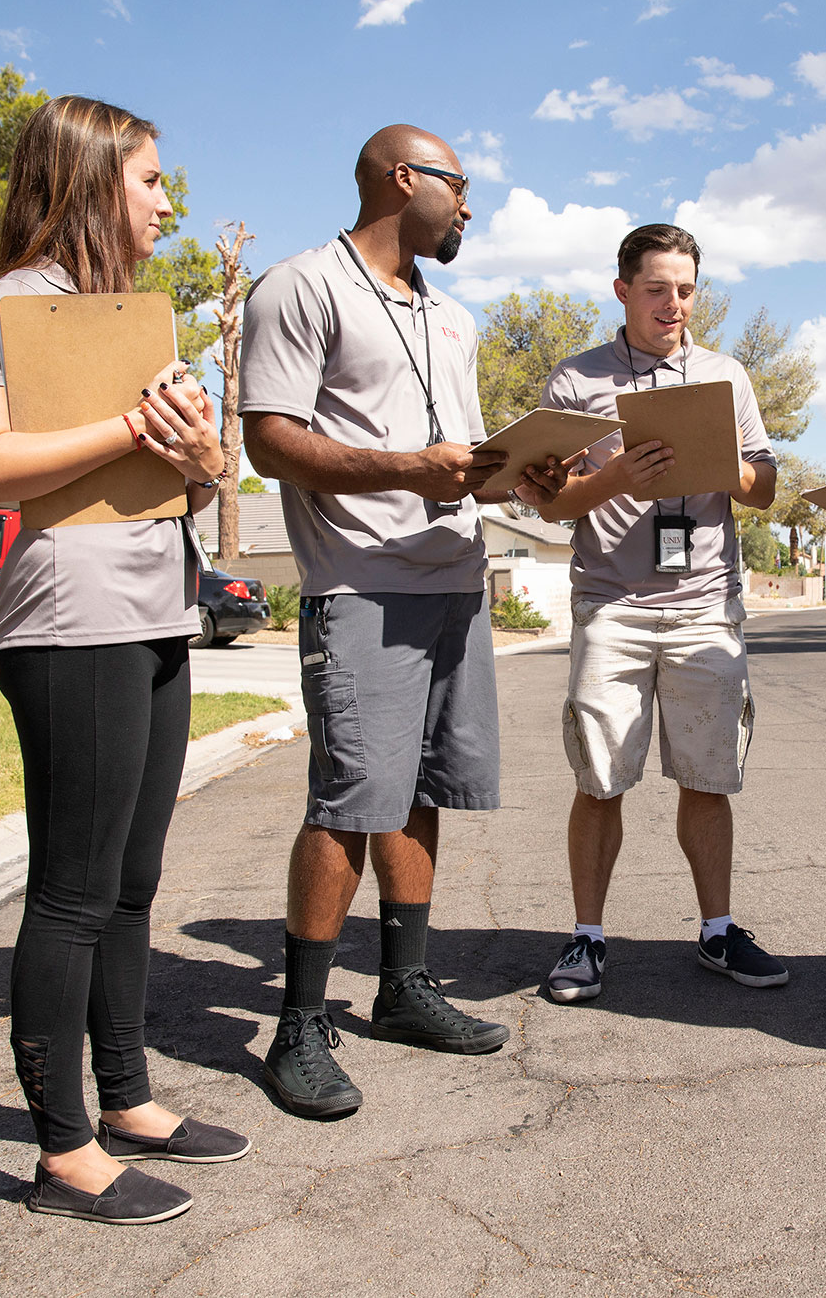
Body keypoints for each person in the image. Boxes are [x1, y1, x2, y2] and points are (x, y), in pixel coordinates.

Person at [0, 95, 248, 1226]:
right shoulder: (19, 304)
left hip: (156, 613)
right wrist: (130, 426)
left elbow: (179, 485)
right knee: (72, 891)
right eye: (151, 180)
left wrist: (206, 459)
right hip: (72, 621)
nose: (167, 201)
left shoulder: (121, 317)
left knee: (131, 883)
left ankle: (127, 1100)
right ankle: (62, 1152)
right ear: (87, 183)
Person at [240, 125, 568, 1119]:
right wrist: (407, 468)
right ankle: (299, 1023)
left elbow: (453, 458)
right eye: (459, 186)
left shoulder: (453, 319)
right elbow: (271, 441)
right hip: (360, 582)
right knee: (349, 798)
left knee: (421, 788)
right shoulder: (301, 287)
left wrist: (519, 470)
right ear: (401, 178)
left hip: (454, 581)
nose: (469, 205)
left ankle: (404, 985)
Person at [530, 223, 783, 1005]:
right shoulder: (577, 381)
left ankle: (717, 928)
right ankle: (587, 937)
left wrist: (726, 467)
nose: (673, 303)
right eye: (656, 288)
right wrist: (617, 480)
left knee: (708, 776)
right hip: (612, 604)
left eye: (685, 289)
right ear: (622, 291)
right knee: (601, 776)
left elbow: (765, 484)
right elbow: (546, 501)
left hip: (706, 603)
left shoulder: (725, 375)